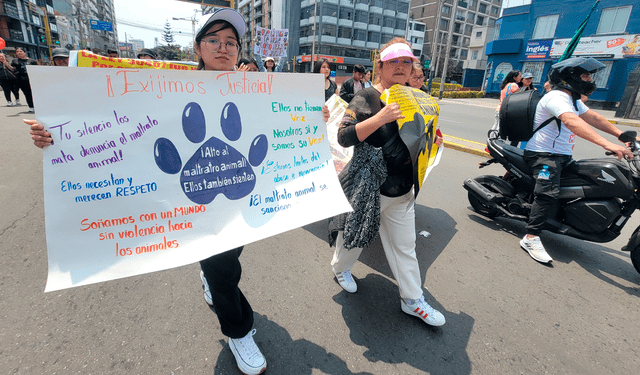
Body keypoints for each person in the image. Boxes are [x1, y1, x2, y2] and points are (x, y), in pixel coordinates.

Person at [26, 8, 330, 374]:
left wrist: (313, 115)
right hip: (191, 199)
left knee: (228, 255)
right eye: (214, 41)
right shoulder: (165, 86)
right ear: (198, 48)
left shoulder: (256, 91)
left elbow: (287, 120)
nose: (223, 48)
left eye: (231, 42)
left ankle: (210, 275)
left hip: (241, 192)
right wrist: (54, 136)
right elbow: (104, 122)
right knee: (224, 269)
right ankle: (239, 331)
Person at [330, 38, 446, 327]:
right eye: (393, 61)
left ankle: (412, 300)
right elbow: (343, 136)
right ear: (380, 67)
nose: (400, 67)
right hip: (370, 188)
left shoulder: (417, 98)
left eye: (406, 62)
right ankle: (340, 269)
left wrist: (432, 140)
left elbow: (420, 140)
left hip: (403, 189)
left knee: (405, 247)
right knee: (353, 238)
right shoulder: (368, 97)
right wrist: (379, 117)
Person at [520, 57, 634, 264]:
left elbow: (594, 118)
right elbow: (572, 122)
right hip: (543, 155)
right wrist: (606, 144)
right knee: (547, 193)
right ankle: (531, 236)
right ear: (569, 77)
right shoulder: (556, 97)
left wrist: (620, 136)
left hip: (563, 156)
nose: (590, 79)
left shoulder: (572, 99)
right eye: (585, 75)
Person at [11, 47, 37, 112]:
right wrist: (5, 64)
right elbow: (13, 69)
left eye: (20, 51)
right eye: (17, 51)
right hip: (21, 80)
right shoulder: (15, 61)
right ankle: (31, 106)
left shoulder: (32, 61)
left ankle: (37, 106)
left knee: (34, 93)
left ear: (25, 52)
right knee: (27, 93)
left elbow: (36, 69)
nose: (19, 53)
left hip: (31, 79)